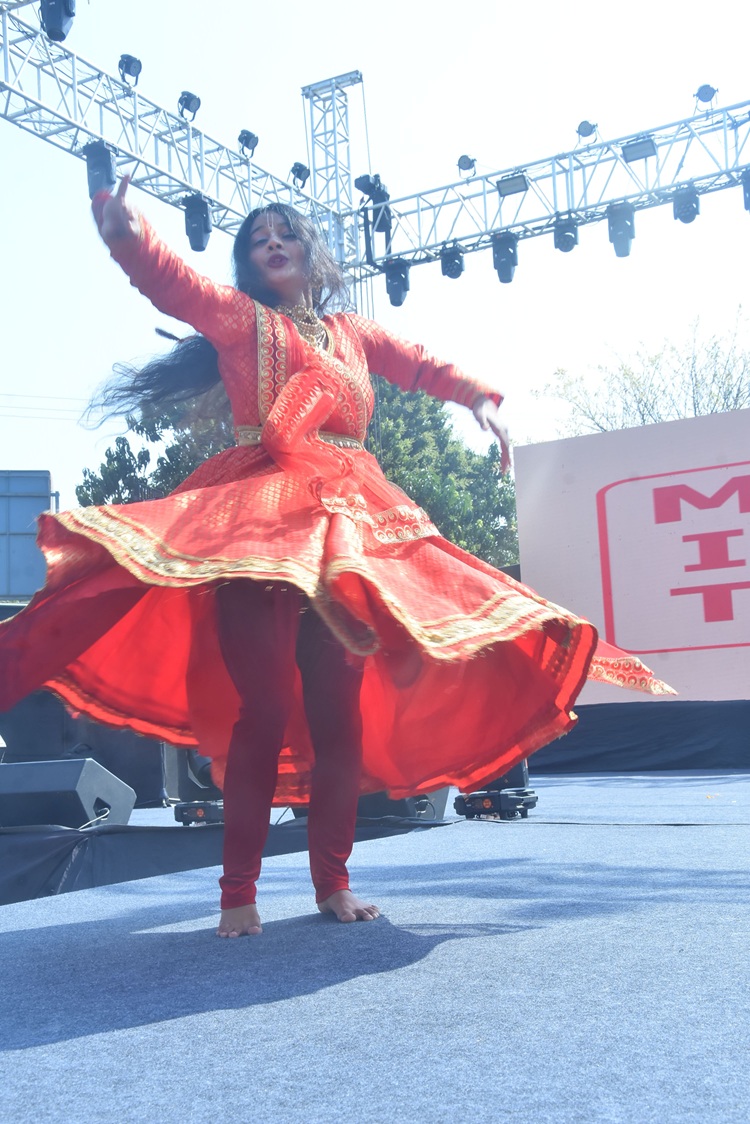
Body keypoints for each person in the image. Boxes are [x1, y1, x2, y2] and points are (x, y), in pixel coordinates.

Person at [0, 180, 672, 937]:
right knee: (263, 710)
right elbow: (175, 285)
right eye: (258, 238)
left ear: (312, 254)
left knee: (338, 720)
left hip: (349, 527)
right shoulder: (243, 319)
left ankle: (333, 885)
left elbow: (419, 363)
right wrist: (128, 236)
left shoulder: (354, 333)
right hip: (257, 529)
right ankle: (238, 893)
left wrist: (479, 397)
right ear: (248, 263)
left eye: (287, 233)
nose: (273, 242)